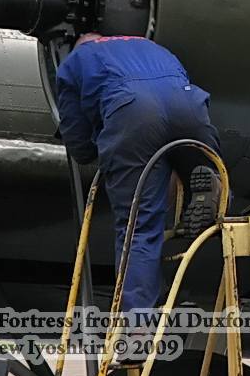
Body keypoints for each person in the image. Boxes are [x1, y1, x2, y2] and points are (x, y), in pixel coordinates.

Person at [55, 32, 222, 323]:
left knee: (139, 229)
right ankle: (211, 191)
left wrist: (101, 146)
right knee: (204, 168)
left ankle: (136, 327)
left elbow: (78, 143)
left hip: (132, 112)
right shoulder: (152, 46)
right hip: (188, 104)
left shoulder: (75, 62)